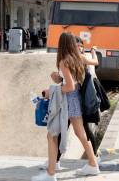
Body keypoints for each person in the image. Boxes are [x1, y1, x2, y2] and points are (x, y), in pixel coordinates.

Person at [32, 32, 99, 181]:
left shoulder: (64, 61)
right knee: (80, 134)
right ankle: (93, 164)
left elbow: (69, 86)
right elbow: (94, 62)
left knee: (52, 135)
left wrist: (52, 91)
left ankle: (50, 174)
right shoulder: (78, 58)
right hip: (75, 100)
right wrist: (93, 52)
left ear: (61, 44)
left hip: (66, 100)